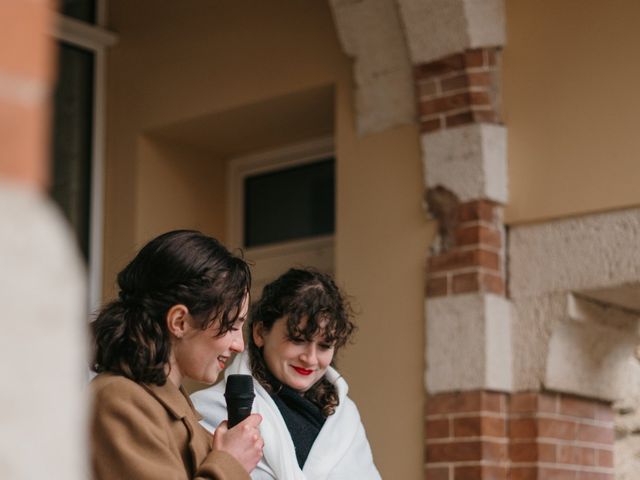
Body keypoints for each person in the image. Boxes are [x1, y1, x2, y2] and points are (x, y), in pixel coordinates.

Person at [90, 230, 263, 480]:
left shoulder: (172, 408)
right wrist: (231, 463)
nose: (239, 345)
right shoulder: (117, 399)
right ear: (180, 321)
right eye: (231, 326)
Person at [192, 268, 381, 480]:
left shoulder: (346, 419)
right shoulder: (206, 410)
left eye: (325, 346)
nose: (310, 358)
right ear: (260, 333)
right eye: (297, 340)